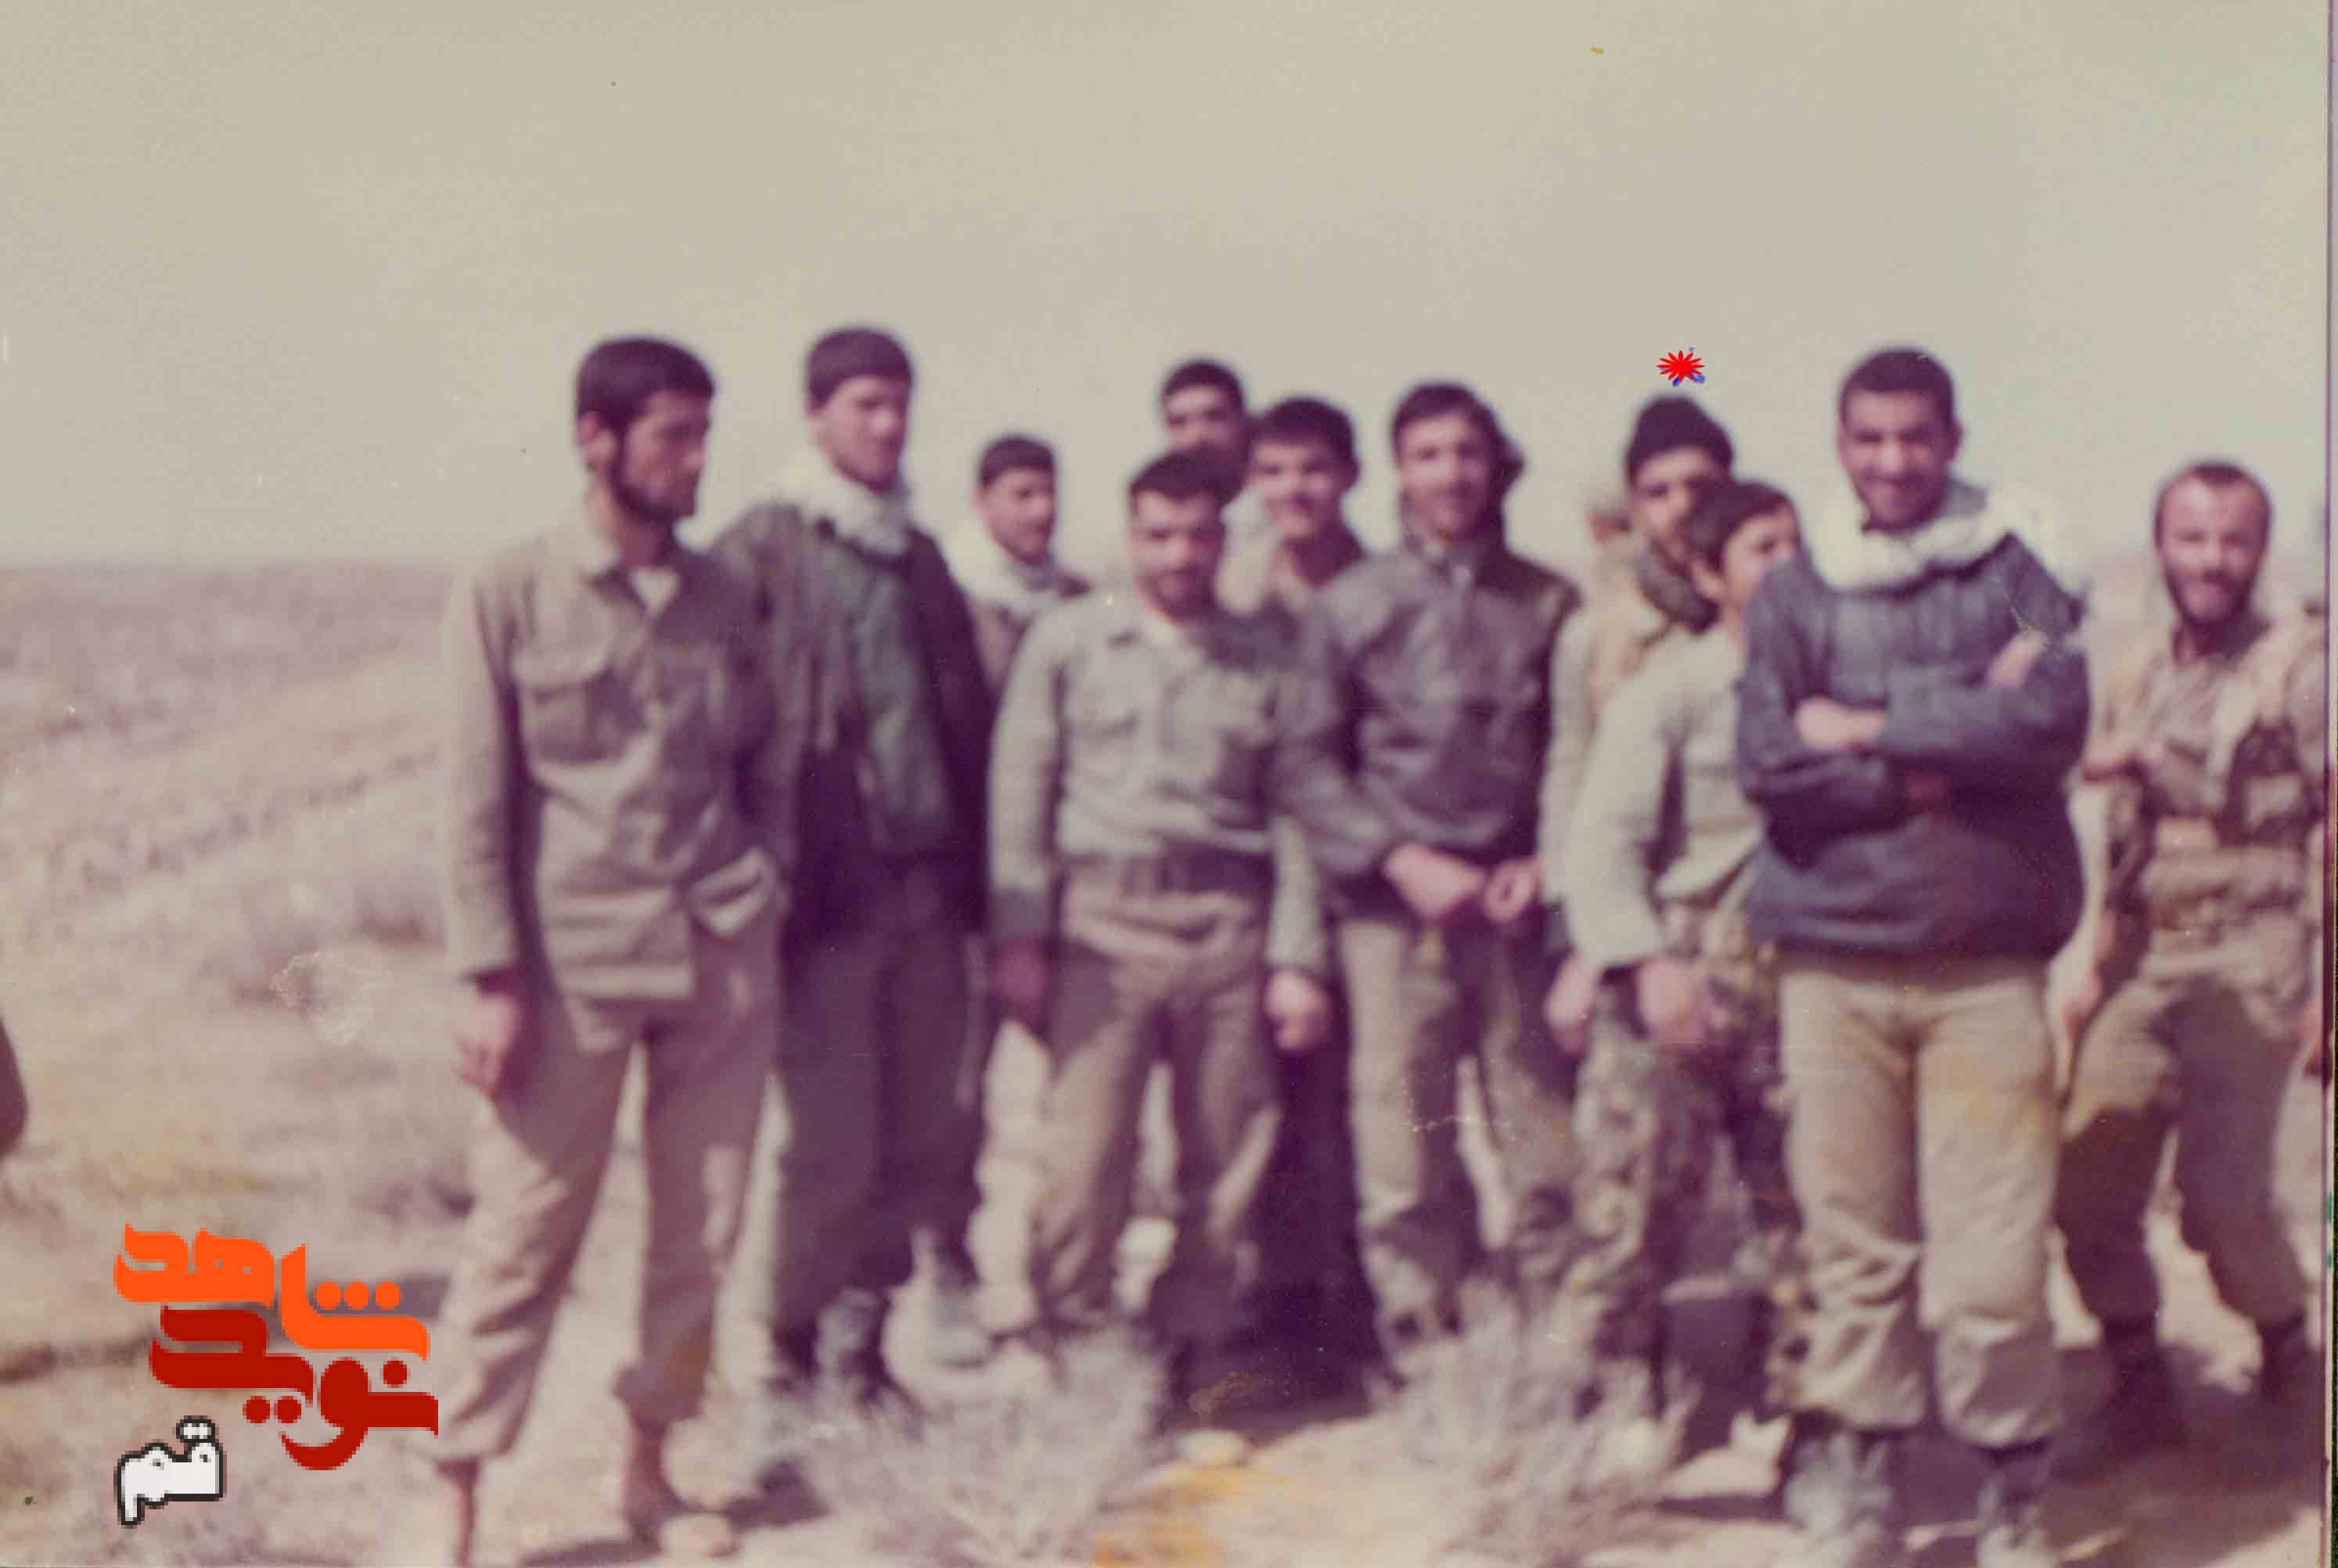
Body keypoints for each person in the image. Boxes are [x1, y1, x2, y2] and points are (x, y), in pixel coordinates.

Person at [417, 336, 798, 1565]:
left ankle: (649, 1470)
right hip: (568, 965)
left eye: (704, 435)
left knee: (703, 1229)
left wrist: (769, 880)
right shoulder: (511, 590)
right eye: (672, 436)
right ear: (596, 439)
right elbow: (473, 801)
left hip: (718, 953)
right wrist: (489, 977)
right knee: (523, 1231)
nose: (695, 461)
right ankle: (454, 1491)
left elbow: (770, 760)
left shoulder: (728, 595)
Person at [1737, 347, 2088, 1568]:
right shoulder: (1795, 592)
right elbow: (1772, 762)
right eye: (1869, 438)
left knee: (1994, 1263)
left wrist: (1874, 725)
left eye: (1915, 437)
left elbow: (2049, 720)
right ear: (1841, 445)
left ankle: (2013, 1491)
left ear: (1953, 440)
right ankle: (1865, 1484)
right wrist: (1940, 759)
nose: (1893, 462)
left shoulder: (2018, 573)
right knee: (1856, 1253)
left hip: (1986, 963)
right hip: (1834, 962)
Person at [987, 449, 1336, 1417]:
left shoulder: (1267, 654)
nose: (1179, 554)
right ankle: (1079, 1346)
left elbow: (1296, 814)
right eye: (1159, 534)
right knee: (1082, 1159)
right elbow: (1021, 790)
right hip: (1102, 927)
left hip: (1227, 924)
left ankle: (1193, 1348)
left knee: (1224, 1160)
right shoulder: (1071, 640)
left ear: (1224, 539)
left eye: (1198, 535)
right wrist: (1020, 937)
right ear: (1131, 534)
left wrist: (1296, 958)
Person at [714, 327, 997, 1415]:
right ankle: (787, 1357)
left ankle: (862, 1353)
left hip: (927, 897)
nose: (888, 425)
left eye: (900, 403)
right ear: (817, 413)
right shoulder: (762, 550)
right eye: (866, 404)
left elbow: (962, 727)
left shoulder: (920, 558)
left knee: (917, 1138)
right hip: (825, 903)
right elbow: (725, 731)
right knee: (830, 1145)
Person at [1281, 382, 1583, 1376]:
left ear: (1494, 465)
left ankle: (1557, 1351)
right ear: (1399, 471)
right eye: (1427, 455)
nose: (1450, 474)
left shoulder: (1546, 603)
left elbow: (1575, 754)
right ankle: (1430, 1351)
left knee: (1542, 1149)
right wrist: (1399, 858)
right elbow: (1305, 763)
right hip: (1397, 924)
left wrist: (1543, 862)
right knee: (1409, 1148)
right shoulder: (1352, 605)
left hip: (1514, 922)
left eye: (1466, 453)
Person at [2052, 459, 2325, 1474]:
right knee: (2085, 1183)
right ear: (2160, 545)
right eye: (2192, 538)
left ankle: (2289, 1351)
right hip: (2142, 952)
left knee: (2222, 1200)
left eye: (2233, 540)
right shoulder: (2133, 668)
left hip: (2252, 953)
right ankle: (2137, 1381)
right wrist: (2092, 961)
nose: (2212, 560)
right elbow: (2116, 832)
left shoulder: (2303, 669)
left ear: (2260, 550)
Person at [1557, 480, 1806, 1431]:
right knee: (1631, 1214)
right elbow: (1603, 849)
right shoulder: (1668, 694)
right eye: (1761, 549)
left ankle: (1802, 1415)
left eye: (1796, 545)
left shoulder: (1833, 688)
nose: (1786, 566)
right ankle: (1608, 1404)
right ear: (1709, 574)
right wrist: (1648, 968)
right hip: (1684, 970)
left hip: (1801, 977)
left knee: (1803, 1217)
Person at [1213, 395, 1378, 1392]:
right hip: (1257, 874)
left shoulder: (1375, 587)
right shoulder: (1234, 591)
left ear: (1349, 475)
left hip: (1362, 873)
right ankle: (1278, 1297)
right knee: (1266, 1098)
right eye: (1272, 472)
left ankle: (1361, 1299)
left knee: (1371, 1104)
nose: (1293, 491)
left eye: (1312, 470)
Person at [1540, 397, 1734, 1043]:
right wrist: (1576, 941)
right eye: (1659, 492)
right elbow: (1570, 778)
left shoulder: (1768, 621)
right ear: (1633, 506)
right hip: (1635, 927)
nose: (1682, 506)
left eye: (1701, 487)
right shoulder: (1596, 636)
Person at [941, 433, 1090, 695]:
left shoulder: (1077, 596)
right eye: (1024, 495)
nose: (1043, 510)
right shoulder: (945, 589)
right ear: (981, 501)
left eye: (1050, 493)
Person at [1159, 356, 1271, 551]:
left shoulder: (1280, 510)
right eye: (1180, 422)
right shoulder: (1153, 518)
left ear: (1243, 420)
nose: (1197, 437)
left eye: (1213, 417)